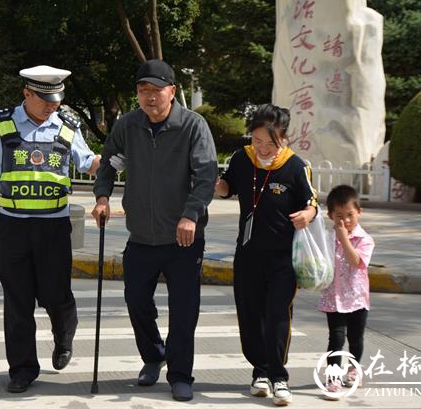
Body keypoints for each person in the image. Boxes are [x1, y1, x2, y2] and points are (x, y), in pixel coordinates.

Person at [0, 65, 100, 393]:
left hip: (53, 229)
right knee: (17, 301)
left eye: (56, 99)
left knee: (56, 295)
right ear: (27, 93)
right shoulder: (1, 124)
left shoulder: (66, 126)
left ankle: (64, 336)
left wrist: (113, 165)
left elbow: (88, 162)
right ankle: (22, 369)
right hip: (12, 229)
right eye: (45, 99)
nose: (52, 106)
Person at [91, 59, 218, 402]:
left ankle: (180, 373)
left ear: (172, 92)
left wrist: (190, 215)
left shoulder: (193, 126)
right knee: (135, 301)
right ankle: (153, 356)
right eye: (143, 90)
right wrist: (102, 198)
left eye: (156, 90)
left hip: (183, 239)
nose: (149, 97)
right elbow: (108, 163)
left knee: (184, 310)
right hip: (142, 237)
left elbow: (206, 175)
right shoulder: (128, 126)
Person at [215, 104, 318, 406]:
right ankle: (259, 371)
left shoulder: (295, 166)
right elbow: (226, 188)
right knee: (250, 315)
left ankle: (279, 376)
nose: (261, 147)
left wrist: (308, 214)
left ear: (284, 138)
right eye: (256, 140)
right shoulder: (241, 159)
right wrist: (212, 181)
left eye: (269, 142)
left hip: (283, 259)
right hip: (247, 255)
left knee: (276, 314)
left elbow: (312, 201)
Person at [318, 185, 374, 400]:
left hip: (357, 299)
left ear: (359, 212)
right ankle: (333, 377)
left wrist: (343, 239)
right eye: (339, 216)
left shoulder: (365, 240)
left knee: (355, 338)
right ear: (330, 215)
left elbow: (355, 261)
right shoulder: (326, 238)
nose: (345, 220)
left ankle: (353, 369)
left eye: (350, 215)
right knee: (336, 338)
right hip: (334, 298)